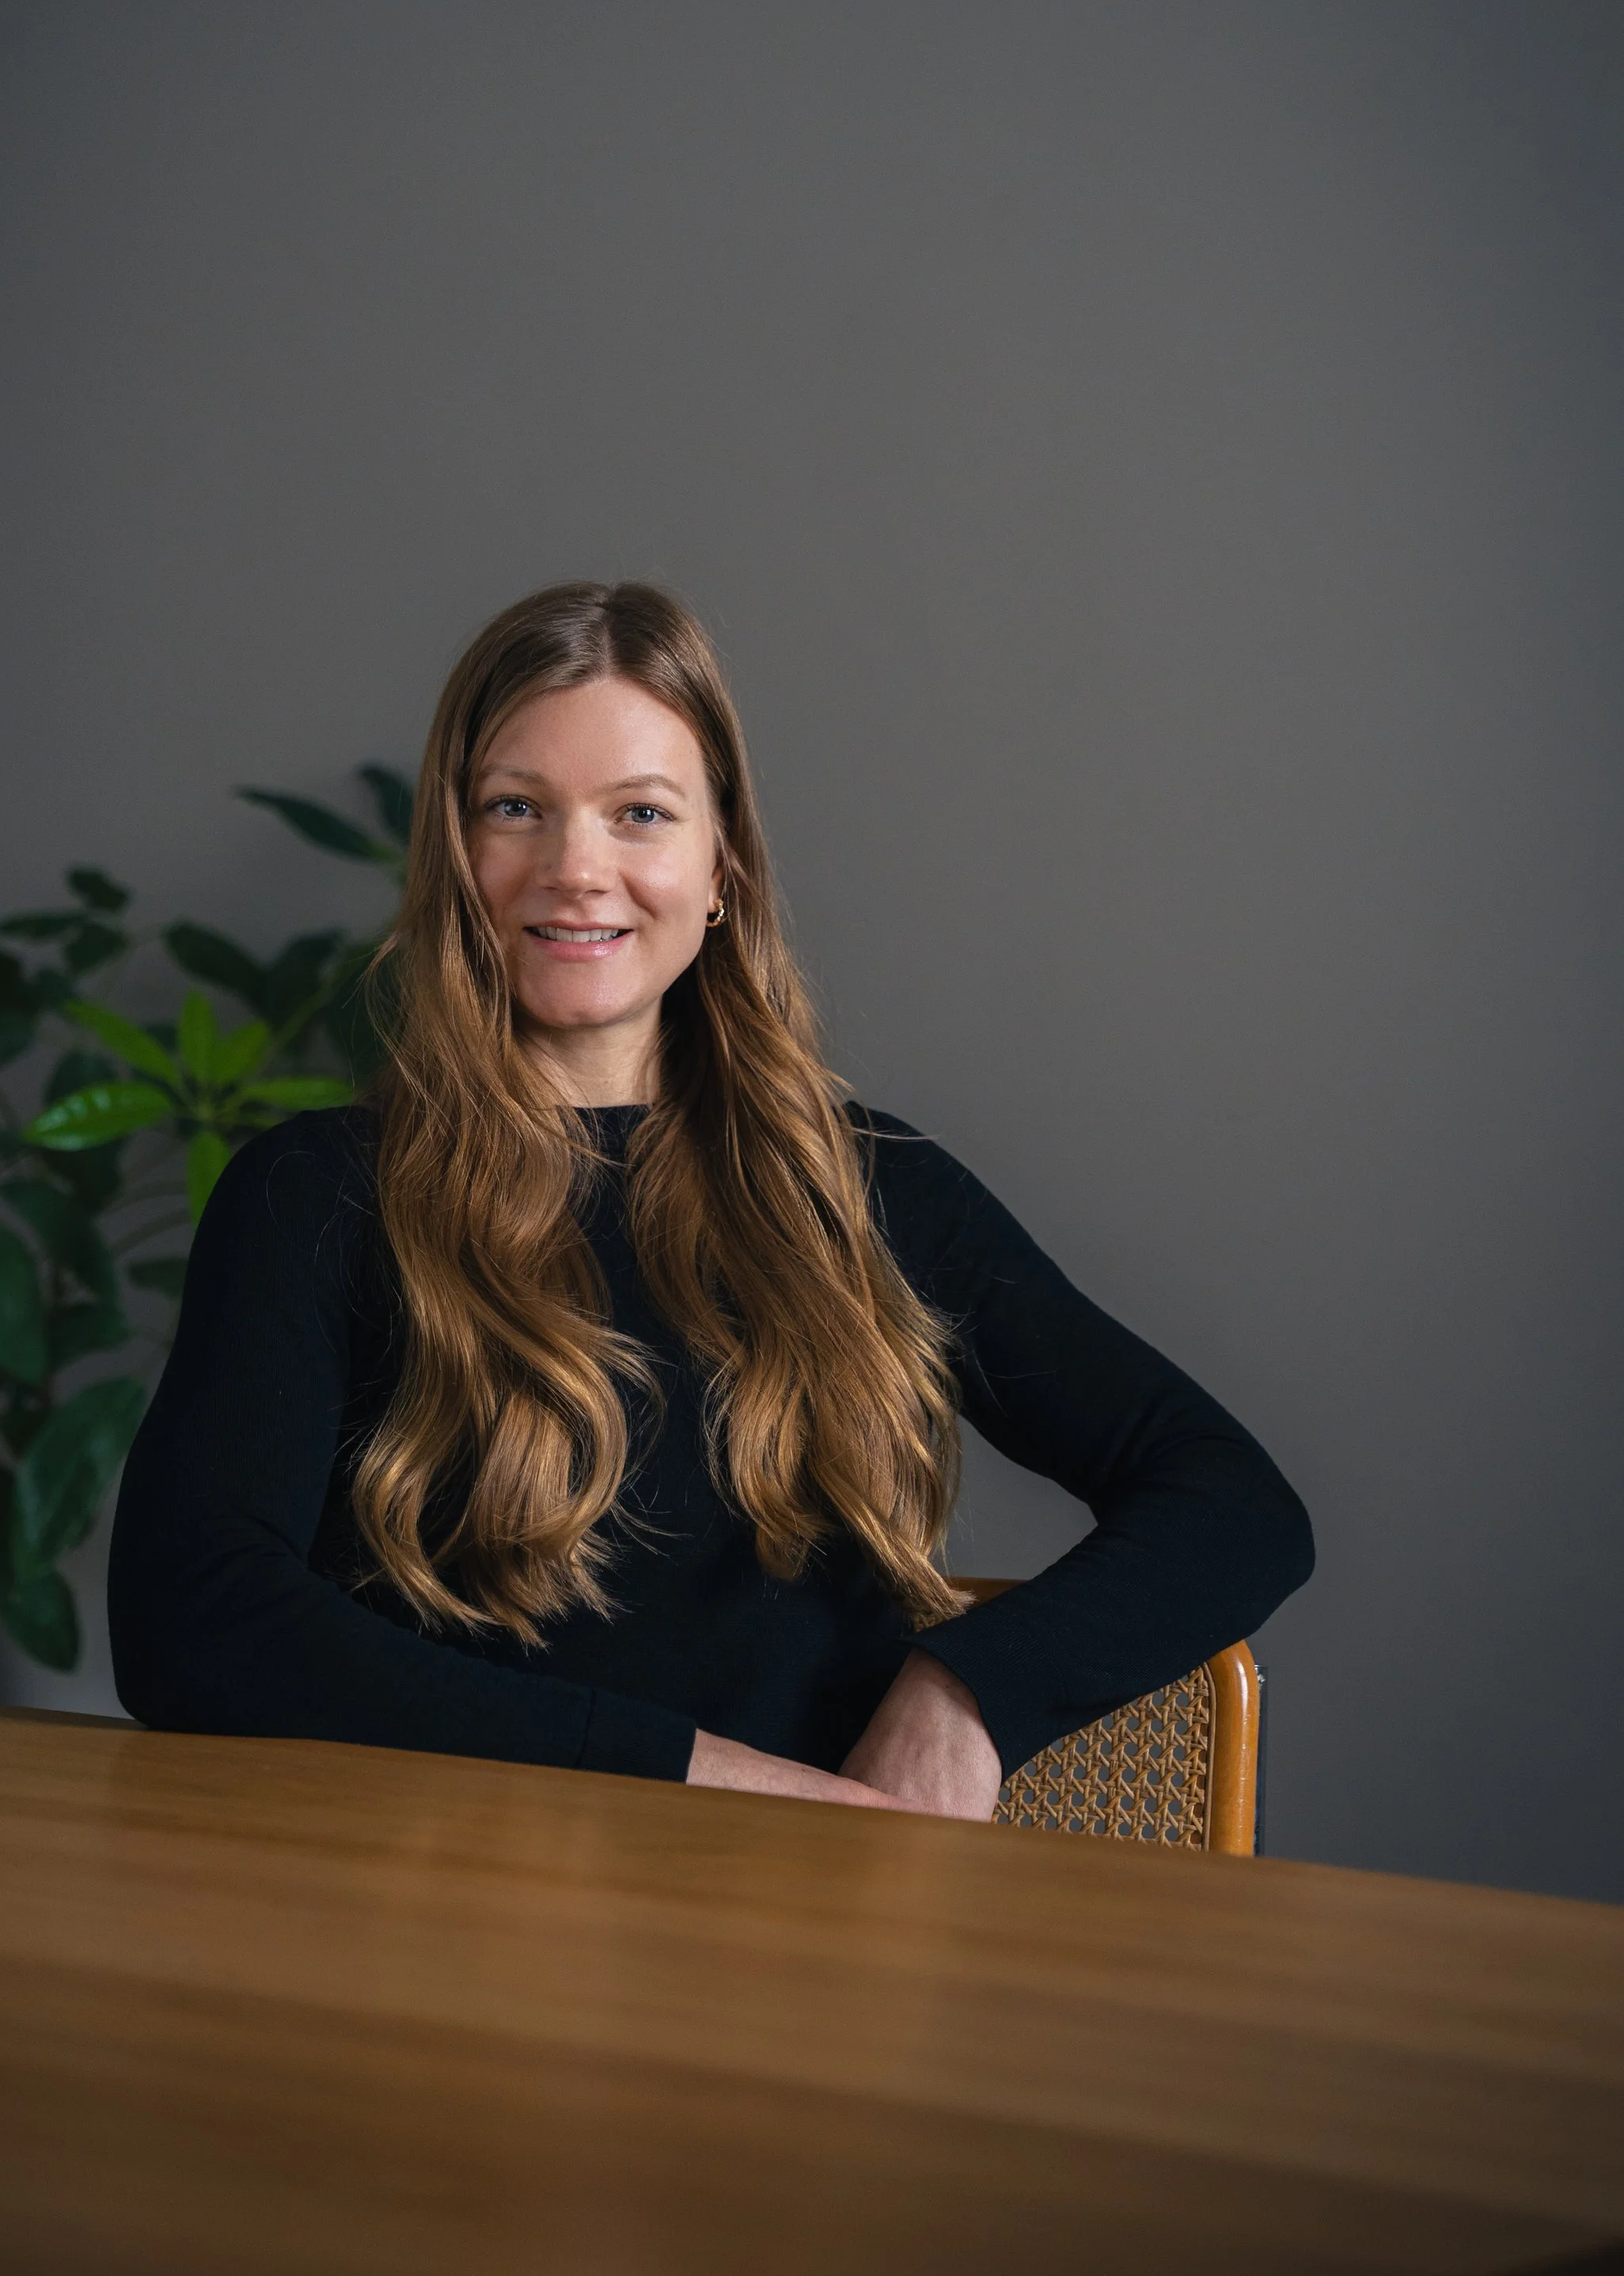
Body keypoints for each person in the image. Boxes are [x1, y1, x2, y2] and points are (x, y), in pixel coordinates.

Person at [109, 580, 1312, 1818]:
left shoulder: (867, 1190)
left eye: (640, 813)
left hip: (806, 1948)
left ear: (720, 864)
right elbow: (186, 1615)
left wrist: (962, 1696)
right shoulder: (314, 1197)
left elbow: (1235, 1503)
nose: (579, 870)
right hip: (432, 1935)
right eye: (516, 808)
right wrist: (692, 1775)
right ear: (454, 856)